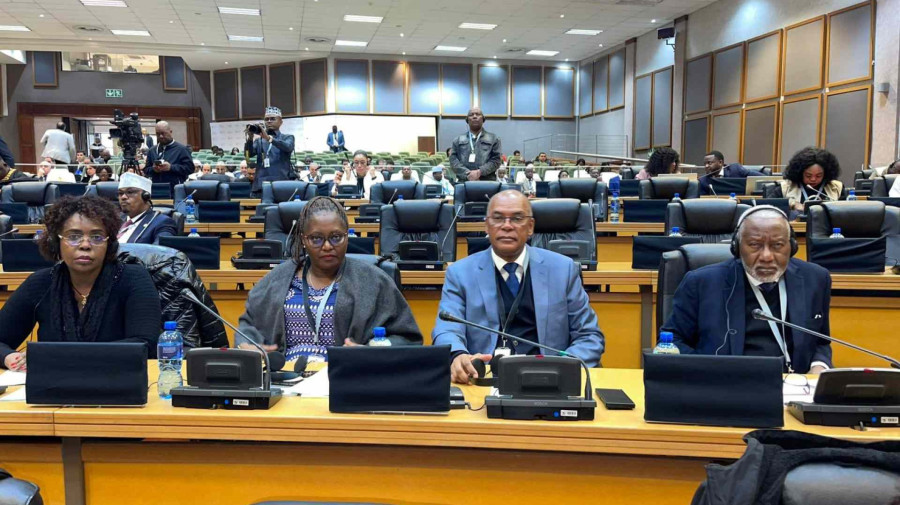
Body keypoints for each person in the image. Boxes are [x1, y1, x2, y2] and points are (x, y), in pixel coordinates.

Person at [432, 190, 605, 383]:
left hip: (550, 379)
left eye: (517, 218)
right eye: (498, 218)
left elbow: (589, 335)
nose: (507, 226)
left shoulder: (563, 269)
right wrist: (457, 355)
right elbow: (447, 329)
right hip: (482, 379)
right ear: (486, 226)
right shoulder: (460, 273)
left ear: (530, 227)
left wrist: (562, 367)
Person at [237, 196, 422, 360]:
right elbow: (248, 325)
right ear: (303, 239)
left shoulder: (374, 281)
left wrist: (370, 351)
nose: (327, 246)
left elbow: (408, 339)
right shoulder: (277, 278)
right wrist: (247, 344)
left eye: (336, 237)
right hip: (286, 382)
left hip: (348, 377)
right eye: (316, 238)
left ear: (347, 237)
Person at [662, 206, 832, 373]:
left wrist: (819, 366)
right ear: (737, 246)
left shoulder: (815, 278)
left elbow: (820, 340)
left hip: (794, 387)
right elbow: (672, 341)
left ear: (792, 247)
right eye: (754, 245)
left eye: (778, 245)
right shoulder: (701, 283)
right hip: (726, 385)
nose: (767, 256)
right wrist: (708, 372)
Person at [0, 196, 162, 370]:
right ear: (57, 241)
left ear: (110, 243)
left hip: (115, 383)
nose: (85, 244)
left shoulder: (134, 279)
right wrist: (10, 357)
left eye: (97, 237)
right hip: (52, 388)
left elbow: (144, 345)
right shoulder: (41, 283)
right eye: (74, 236)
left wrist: (54, 356)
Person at [246, 106, 296, 196]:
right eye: (266, 119)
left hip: (281, 183)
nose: (269, 121)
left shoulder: (287, 137)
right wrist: (250, 138)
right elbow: (249, 155)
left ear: (281, 122)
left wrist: (269, 138)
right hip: (261, 184)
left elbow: (288, 147)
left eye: (273, 119)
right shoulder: (259, 140)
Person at [116, 173, 178, 244]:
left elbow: (160, 253)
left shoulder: (162, 223)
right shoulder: (116, 219)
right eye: (120, 193)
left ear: (146, 196)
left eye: (130, 192)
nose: (123, 197)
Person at [778, 147, 843, 214]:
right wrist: (792, 204)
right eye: (808, 176)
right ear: (800, 173)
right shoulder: (786, 187)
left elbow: (845, 211)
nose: (813, 179)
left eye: (818, 176)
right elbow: (769, 204)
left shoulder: (836, 187)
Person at [449, 107, 502, 181]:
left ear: (483, 119)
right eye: (471, 115)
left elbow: (496, 160)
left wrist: (479, 172)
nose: (474, 116)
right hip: (464, 182)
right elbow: (453, 160)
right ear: (467, 120)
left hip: (487, 182)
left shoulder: (494, 139)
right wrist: (467, 174)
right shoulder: (457, 140)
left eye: (478, 114)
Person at [144, 121, 193, 188]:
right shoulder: (152, 150)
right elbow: (146, 170)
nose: (161, 136)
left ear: (170, 131)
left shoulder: (182, 149)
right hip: (156, 189)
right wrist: (153, 169)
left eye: (163, 133)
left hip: (175, 189)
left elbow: (190, 169)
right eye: (158, 134)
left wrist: (171, 167)